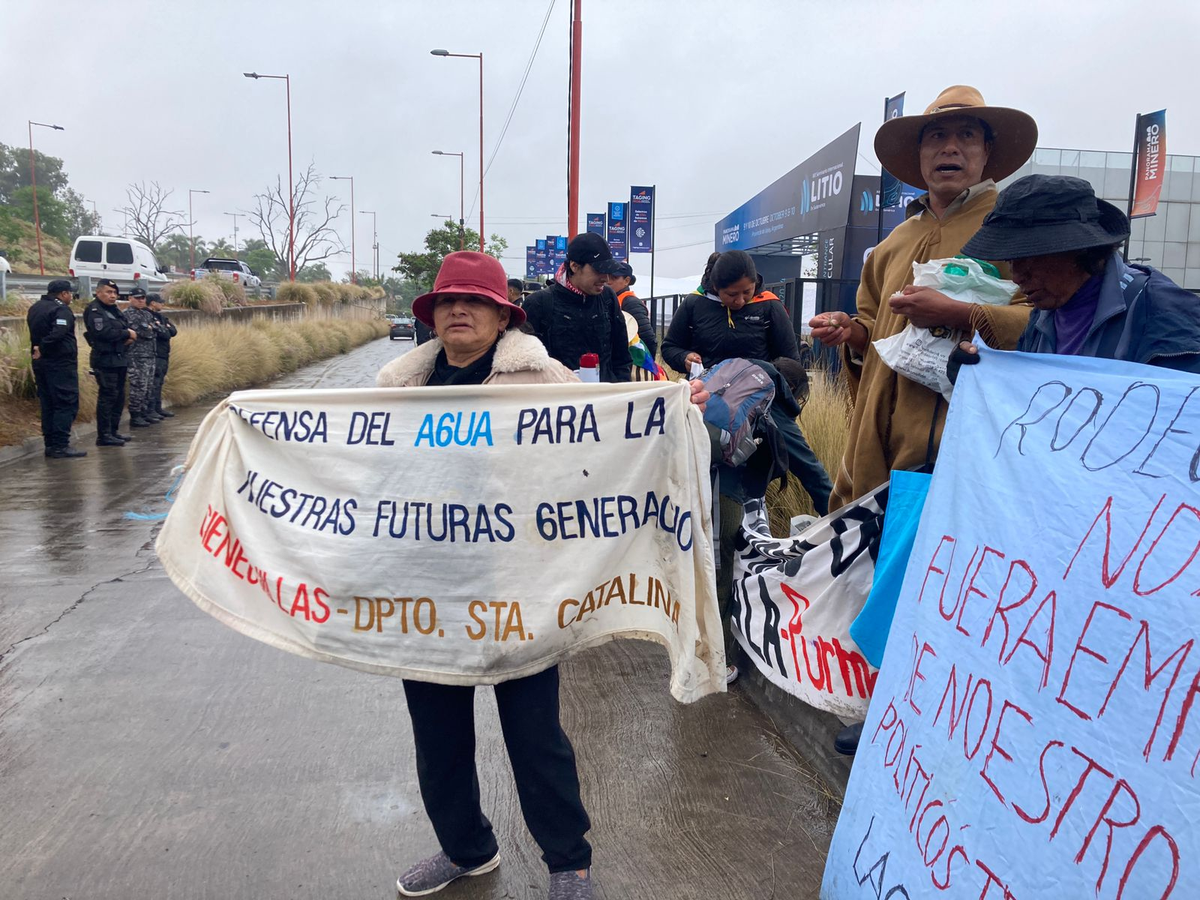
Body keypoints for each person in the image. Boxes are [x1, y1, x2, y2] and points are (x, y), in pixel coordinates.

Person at [809, 85, 1037, 511]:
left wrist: (960, 313)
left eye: (966, 135)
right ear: (920, 154)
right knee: (869, 568)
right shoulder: (893, 243)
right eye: (936, 136)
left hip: (961, 452)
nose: (950, 147)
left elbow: (1043, 321)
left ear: (987, 151)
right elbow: (873, 330)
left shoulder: (1014, 230)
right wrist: (851, 333)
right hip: (873, 447)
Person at [951, 174, 1200, 374]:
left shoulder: (1163, 312)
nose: (1017, 276)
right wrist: (979, 376)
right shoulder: (1043, 319)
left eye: (1030, 258)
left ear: (1080, 250)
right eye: (1011, 260)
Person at [663, 250, 833, 516]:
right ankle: (720, 543)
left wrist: (758, 377)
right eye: (731, 294)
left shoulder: (769, 305)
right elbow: (670, 347)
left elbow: (790, 361)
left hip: (762, 405)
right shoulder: (694, 304)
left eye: (747, 292)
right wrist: (684, 358)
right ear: (716, 286)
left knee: (807, 466)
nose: (740, 300)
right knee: (715, 481)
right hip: (709, 406)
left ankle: (843, 525)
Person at [523, 232, 632, 382]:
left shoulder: (608, 298)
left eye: (608, 271)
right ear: (574, 266)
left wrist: (619, 391)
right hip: (558, 401)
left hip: (605, 399)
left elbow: (622, 357)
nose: (605, 278)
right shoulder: (538, 303)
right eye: (598, 270)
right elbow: (527, 365)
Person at [27, 279, 85, 458]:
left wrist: (40, 348)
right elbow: (58, 333)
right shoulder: (61, 309)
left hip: (41, 364)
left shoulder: (35, 307)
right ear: (63, 294)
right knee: (65, 403)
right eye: (70, 293)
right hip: (59, 364)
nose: (71, 297)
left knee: (48, 404)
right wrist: (43, 347)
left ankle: (50, 444)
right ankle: (60, 445)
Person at [83, 278, 136, 447]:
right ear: (98, 293)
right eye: (108, 292)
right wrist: (126, 333)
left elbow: (122, 326)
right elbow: (103, 332)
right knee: (108, 396)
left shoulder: (113, 309)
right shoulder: (95, 310)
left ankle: (113, 431)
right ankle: (104, 435)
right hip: (105, 359)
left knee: (119, 396)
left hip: (119, 357)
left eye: (114, 293)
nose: (112, 296)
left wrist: (125, 335)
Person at [122, 288, 162, 427]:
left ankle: (144, 412)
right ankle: (135, 415)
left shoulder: (146, 314)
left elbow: (158, 330)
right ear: (130, 298)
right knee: (138, 386)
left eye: (143, 298)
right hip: (136, 356)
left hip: (150, 354)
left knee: (148, 386)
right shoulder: (127, 315)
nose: (140, 301)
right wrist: (151, 329)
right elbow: (143, 332)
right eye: (137, 298)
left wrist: (152, 329)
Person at [607, 262, 656, 358]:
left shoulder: (631, 303)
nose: (608, 281)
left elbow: (648, 338)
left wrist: (644, 364)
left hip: (632, 360)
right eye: (607, 276)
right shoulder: (611, 299)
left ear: (627, 281)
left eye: (614, 278)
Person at [148, 294, 177, 418]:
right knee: (154, 382)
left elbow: (173, 331)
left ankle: (158, 408)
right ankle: (151, 410)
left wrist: (164, 328)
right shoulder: (148, 316)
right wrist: (164, 329)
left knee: (159, 382)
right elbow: (164, 333)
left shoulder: (161, 317)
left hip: (164, 354)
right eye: (160, 302)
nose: (162, 304)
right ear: (153, 303)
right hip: (155, 354)